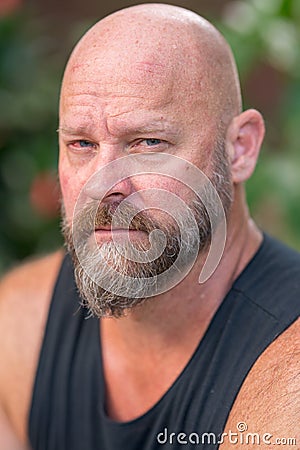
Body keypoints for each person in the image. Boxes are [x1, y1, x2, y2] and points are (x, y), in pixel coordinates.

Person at [0, 3, 299, 449]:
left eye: (147, 142)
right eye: (82, 144)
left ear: (240, 149)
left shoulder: (289, 375)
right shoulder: (18, 326)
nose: (104, 187)